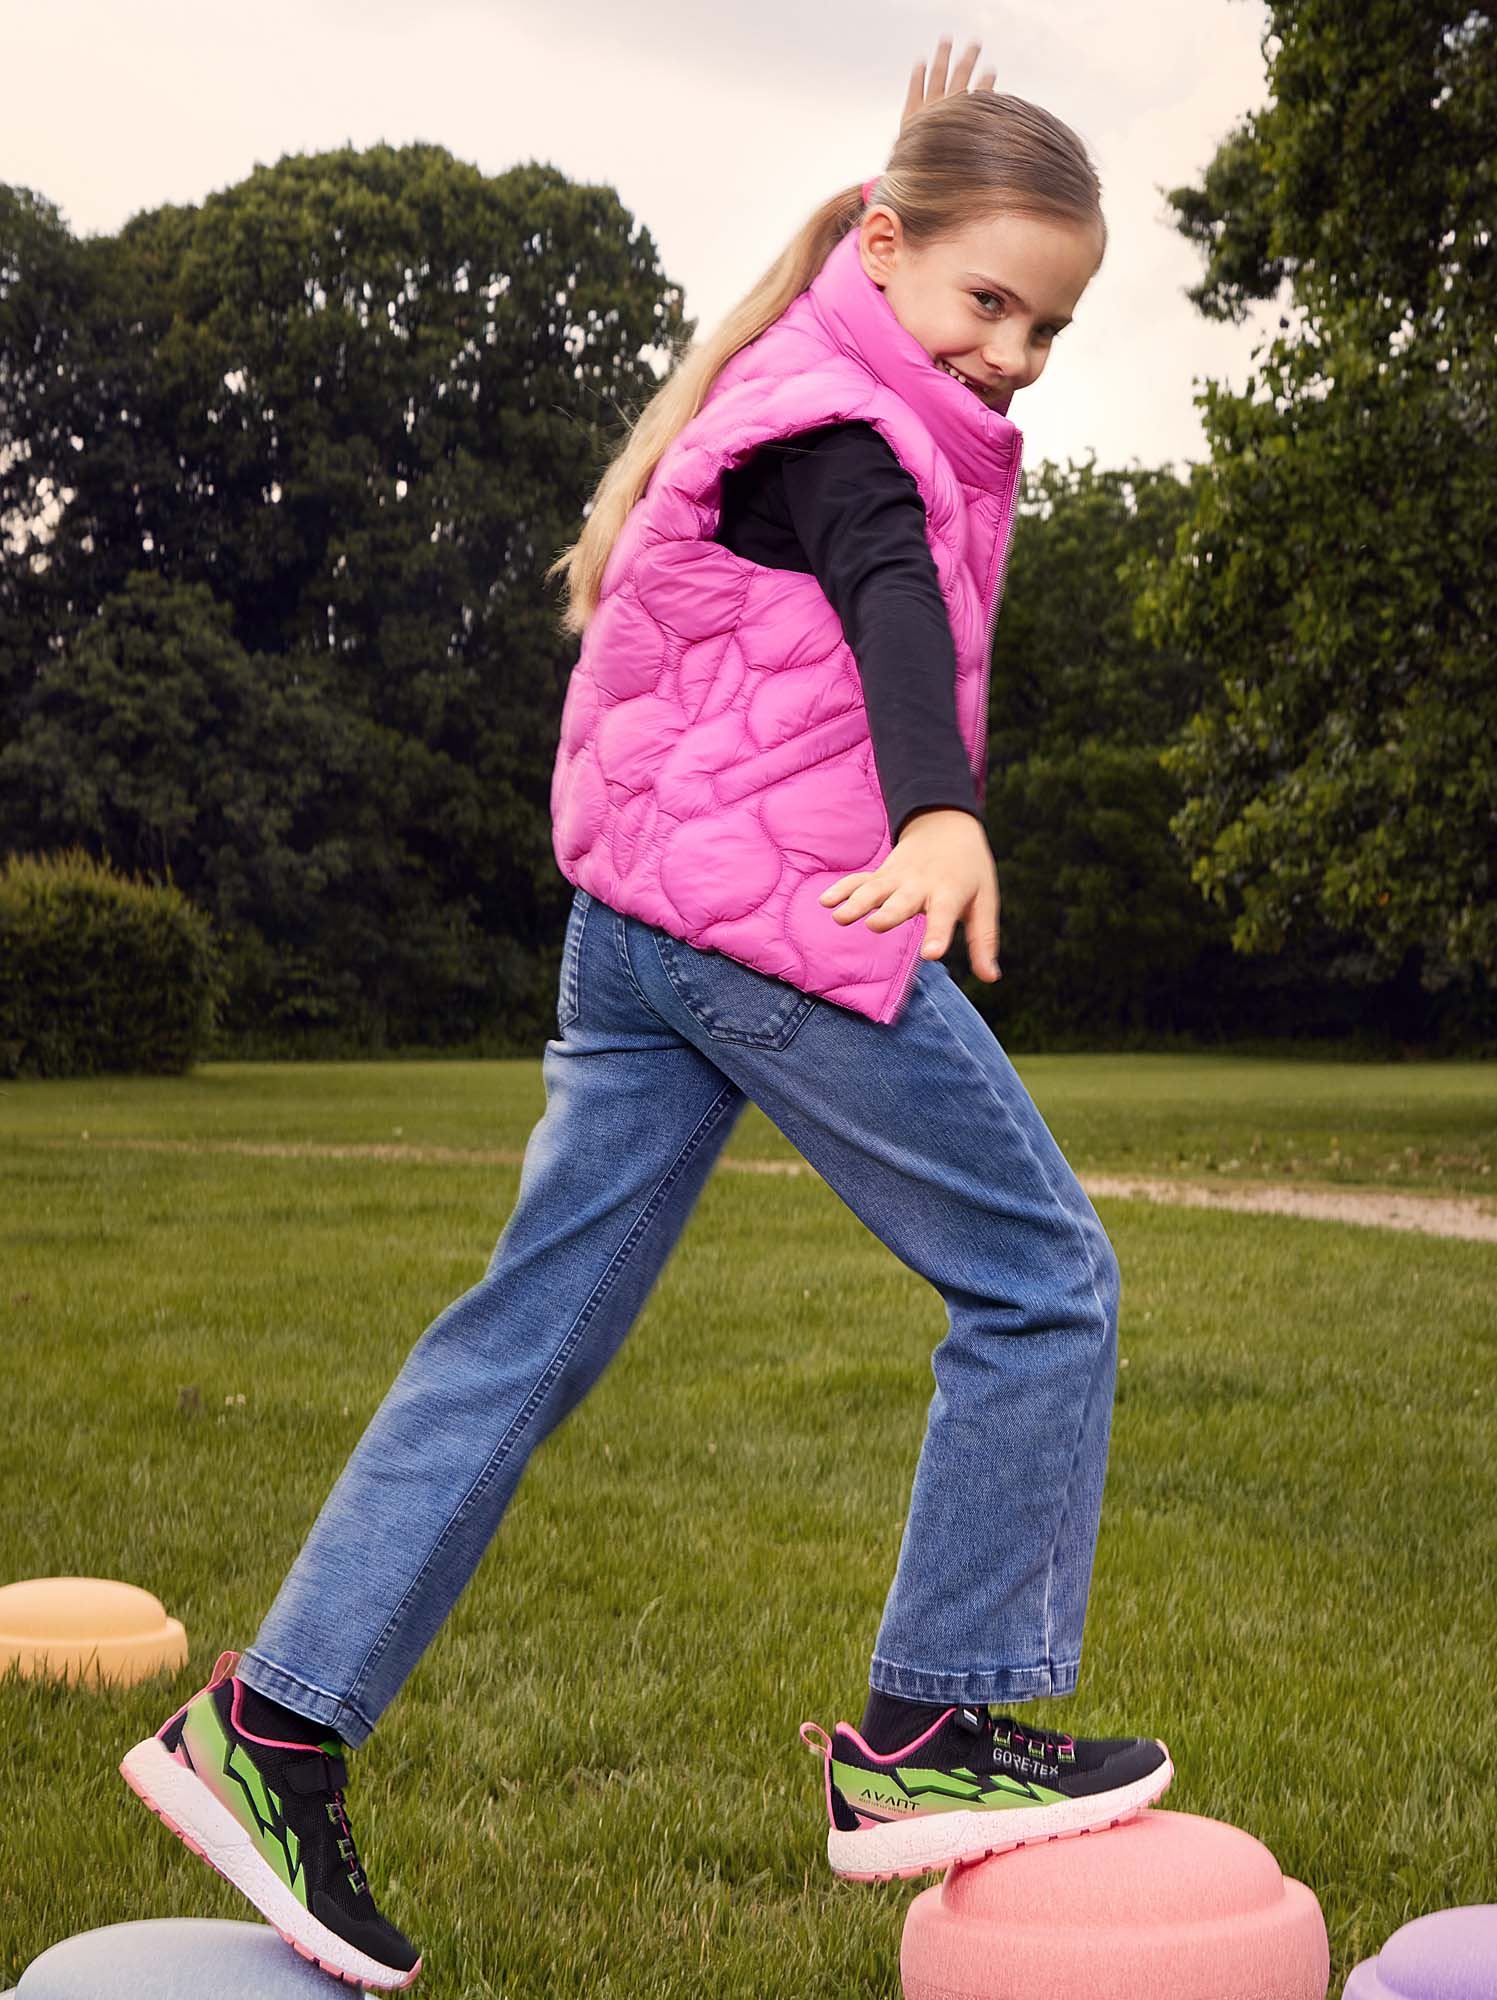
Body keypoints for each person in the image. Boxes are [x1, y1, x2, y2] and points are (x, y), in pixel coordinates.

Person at [118, 45, 1168, 1992]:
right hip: (764, 923)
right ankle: (939, 1733)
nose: (1017, 351)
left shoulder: (807, 378)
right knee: (1043, 1282)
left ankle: (268, 1730)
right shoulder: (843, 429)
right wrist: (940, 808)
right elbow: (879, 599)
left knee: (519, 1335)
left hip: (638, 925)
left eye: (1049, 322)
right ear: (885, 245)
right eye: (987, 302)